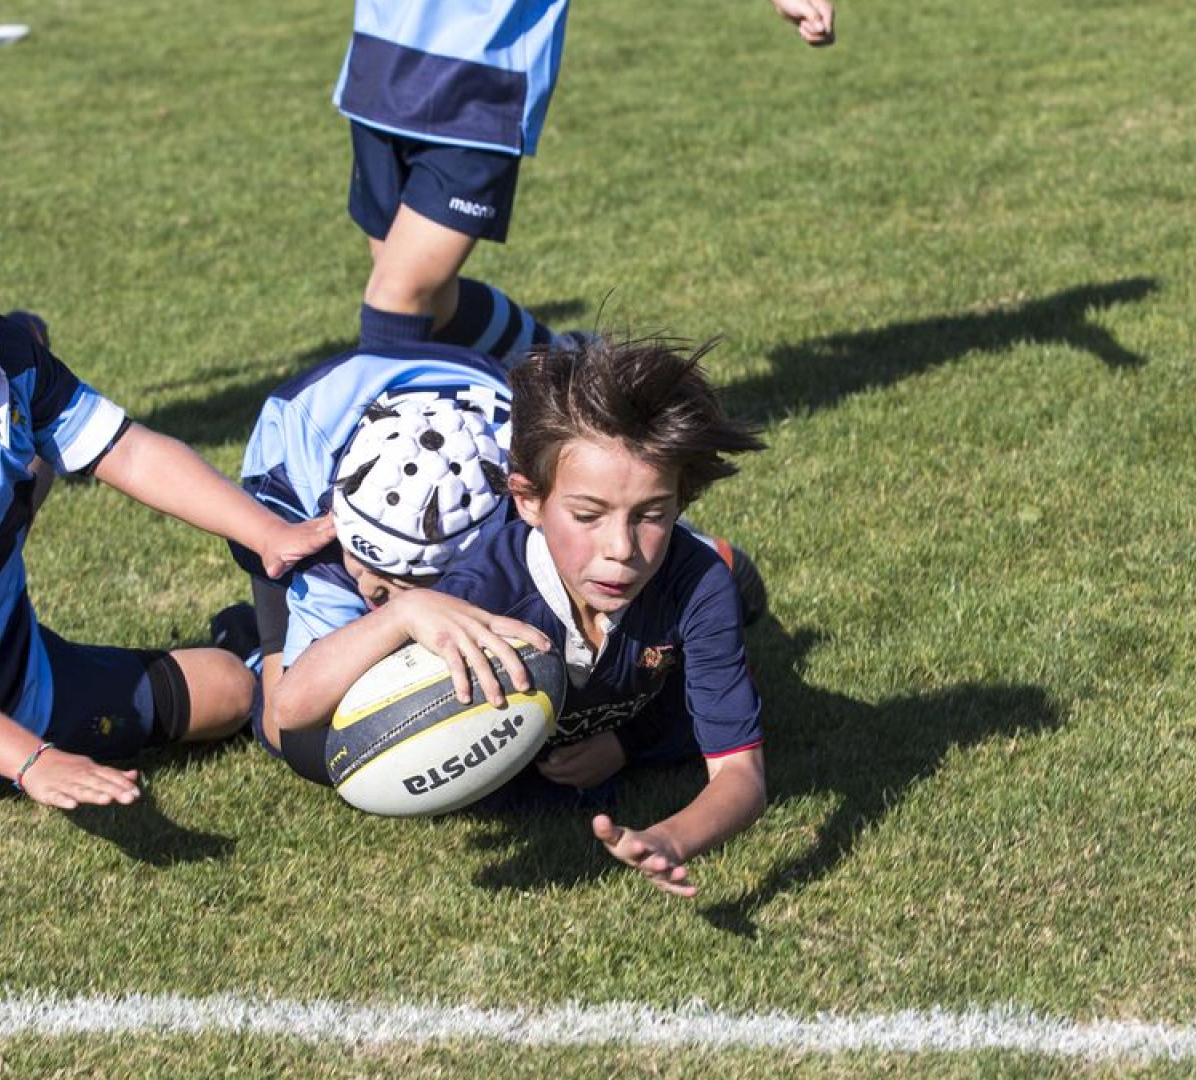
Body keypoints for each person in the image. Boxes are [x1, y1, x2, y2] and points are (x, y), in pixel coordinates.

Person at [0, 186, 333, 807]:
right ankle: (261, 651)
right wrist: (31, 759)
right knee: (229, 689)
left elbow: (128, 451)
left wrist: (267, 534)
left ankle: (236, 635)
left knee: (32, 391)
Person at [272, 336, 769, 896]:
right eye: (588, 514)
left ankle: (736, 579)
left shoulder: (696, 582)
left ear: (682, 501)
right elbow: (292, 708)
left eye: (651, 515)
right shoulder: (483, 593)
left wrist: (670, 832)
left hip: (633, 730)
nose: (620, 548)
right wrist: (405, 612)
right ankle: (250, 636)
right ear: (528, 499)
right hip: (514, 779)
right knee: (294, 742)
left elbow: (740, 774)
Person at [334, 0, 834, 358]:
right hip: (379, 70)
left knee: (397, 296)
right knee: (430, 301)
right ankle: (558, 365)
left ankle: (360, 477)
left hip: (479, 84)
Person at [232, 340, 517, 765]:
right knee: (291, 740)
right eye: (364, 568)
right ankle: (260, 648)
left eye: (403, 585)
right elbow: (292, 719)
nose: (370, 588)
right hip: (291, 467)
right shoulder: (322, 507)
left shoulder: (525, 507)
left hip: (469, 380)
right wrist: (401, 615)